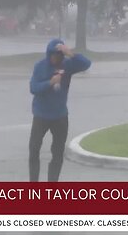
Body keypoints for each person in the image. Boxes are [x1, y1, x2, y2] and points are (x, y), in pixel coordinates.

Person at [29, 39, 91, 182]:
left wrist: (70, 53)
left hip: (60, 116)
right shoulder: (40, 66)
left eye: (60, 55)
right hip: (41, 115)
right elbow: (33, 88)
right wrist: (50, 83)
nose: (57, 58)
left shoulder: (67, 65)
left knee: (57, 153)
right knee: (34, 151)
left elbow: (86, 64)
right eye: (54, 55)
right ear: (49, 54)